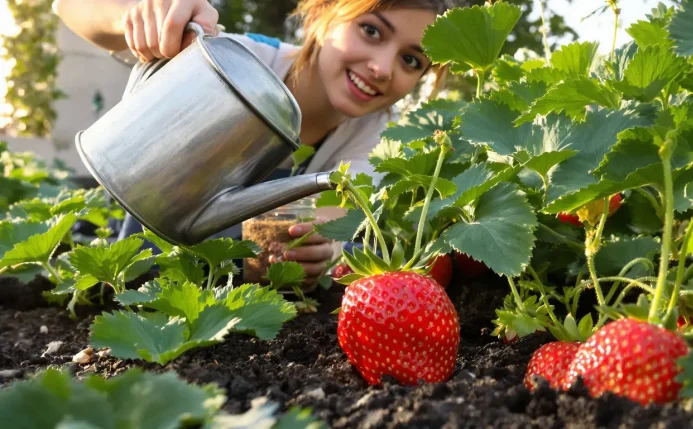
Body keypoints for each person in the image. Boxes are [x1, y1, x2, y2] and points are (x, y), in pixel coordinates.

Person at [52, 0, 448, 288]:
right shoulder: (237, 61)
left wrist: (322, 250)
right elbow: (68, 7)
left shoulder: (379, 137)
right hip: (116, 234)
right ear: (326, 13)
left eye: (411, 61)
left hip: (202, 286)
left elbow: (320, 221)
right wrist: (140, 18)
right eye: (372, 30)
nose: (382, 68)